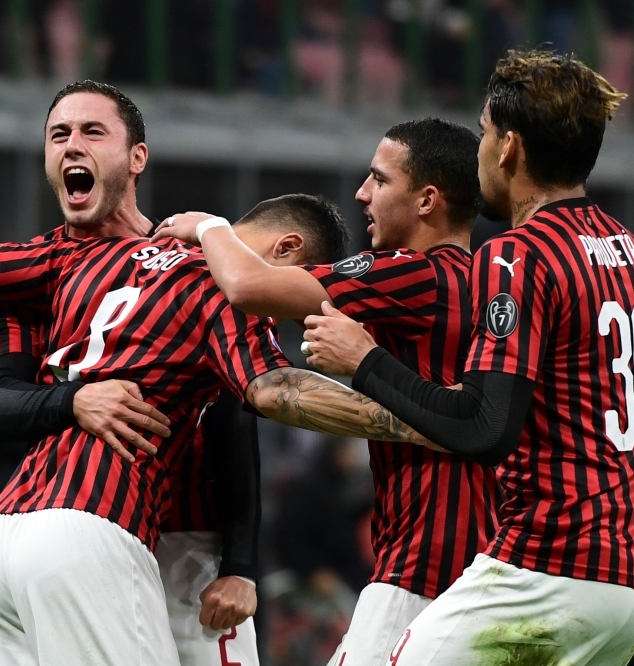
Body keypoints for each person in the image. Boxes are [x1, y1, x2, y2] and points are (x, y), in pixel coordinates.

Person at [301, 50, 634, 664]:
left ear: (508, 148)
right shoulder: (629, 249)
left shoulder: (518, 254)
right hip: (631, 583)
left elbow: (484, 426)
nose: (480, 147)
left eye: (483, 131)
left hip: (544, 569)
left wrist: (365, 360)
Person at [0, 213, 432, 665]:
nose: (276, 317)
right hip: (106, 530)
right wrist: (425, 414)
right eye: (289, 299)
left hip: (2, 535)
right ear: (287, 252)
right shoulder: (222, 285)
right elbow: (272, 391)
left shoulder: (82, 263)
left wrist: (241, 564)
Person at [154, 118, 497, 666]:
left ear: (427, 200)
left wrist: (209, 228)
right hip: (481, 555)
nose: (363, 193)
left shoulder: (414, 274)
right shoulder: (491, 283)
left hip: (424, 562)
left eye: (380, 180)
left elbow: (248, 287)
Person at [0, 79, 281, 666]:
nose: (71, 146)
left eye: (92, 131)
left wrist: (240, 563)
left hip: (176, 543)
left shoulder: (191, 265)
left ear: (137, 157)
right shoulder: (26, 276)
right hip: (95, 528)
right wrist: (75, 400)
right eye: (58, 134)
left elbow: (234, 424)